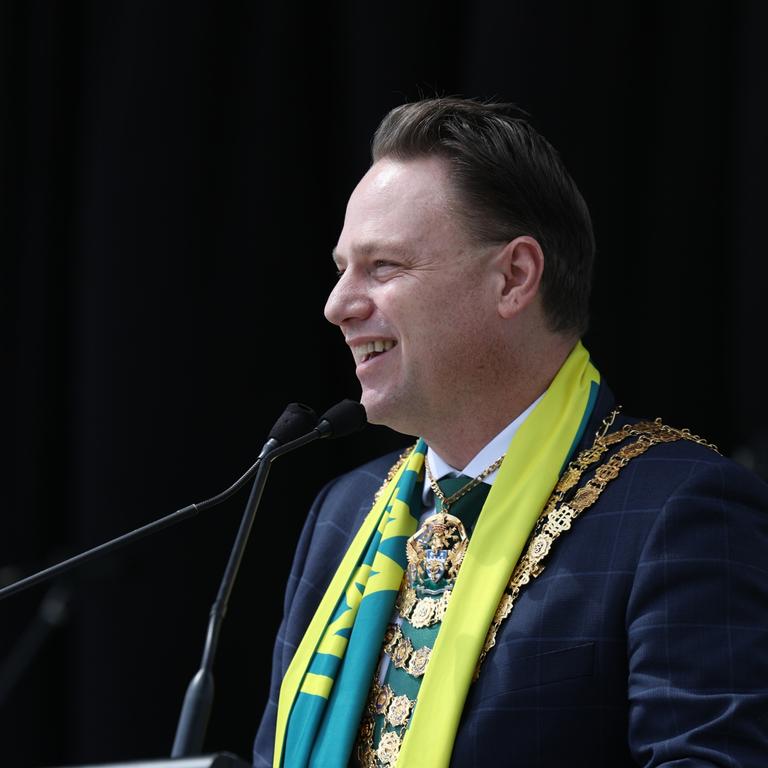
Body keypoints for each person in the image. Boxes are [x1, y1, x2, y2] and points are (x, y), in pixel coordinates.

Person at [253, 97, 768, 767]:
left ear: (514, 277)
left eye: (384, 267)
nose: (337, 305)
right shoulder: (342, 514)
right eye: (342, 267)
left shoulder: (682, 512)